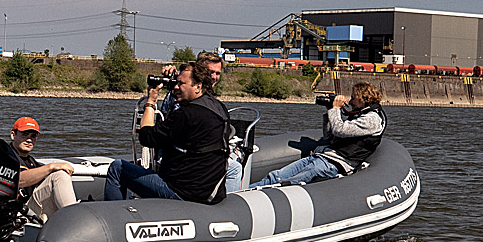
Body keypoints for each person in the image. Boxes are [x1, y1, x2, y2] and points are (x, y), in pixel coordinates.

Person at [104, 61, 231, 204]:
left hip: (182, 193)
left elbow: (146, 137)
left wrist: (151, 102)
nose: (175, 87)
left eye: (181, 84)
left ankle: (116, 217)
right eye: (175, 83)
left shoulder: (186, 114)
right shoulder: (219, 108)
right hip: (209, 192)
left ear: (198, 86)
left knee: (117, 168)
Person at [250, 82, 387, 188]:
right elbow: (330, 138)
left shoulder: (371, 119)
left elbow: (339, 129)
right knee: (275, 177)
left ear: (363, 99)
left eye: (353, 98)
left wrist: (335, 109)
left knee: (286, 184)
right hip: (322, 157)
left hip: (333, 164)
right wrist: (329, 112)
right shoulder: (360, 115)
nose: (350, 102)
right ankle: (237, 195)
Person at [155, 51, 243, 192]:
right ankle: (228, 208)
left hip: (188, 153)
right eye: (210, 72)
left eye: (218, 73)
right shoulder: (185, 96)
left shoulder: (203, 97)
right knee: (234, 169)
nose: (214, 77)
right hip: (179, 158)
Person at [8, 116, 77, 221]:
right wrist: (51, 167)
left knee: (60, 173)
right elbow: (18, 180)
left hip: (30, 208)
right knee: (59, 176)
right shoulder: (5, 156)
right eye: (24, 134)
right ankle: (75, 222)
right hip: (16, 211)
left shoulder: (32, 162)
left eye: (33, 136)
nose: (29, 139)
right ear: (13, 135)